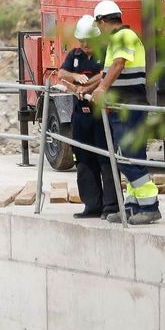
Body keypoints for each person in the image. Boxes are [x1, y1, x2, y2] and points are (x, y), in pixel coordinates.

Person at [81, 0, 159, 224]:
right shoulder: (116, 40)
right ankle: (133, 207)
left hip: (130, 106)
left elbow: (118, 65)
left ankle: (150, 206)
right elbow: (107, 72)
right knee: (128, 157)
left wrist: (103, 89)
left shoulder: (124, 37)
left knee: (127, 157)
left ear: (103, 21)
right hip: (120, 107)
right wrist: (91, 89)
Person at [55, 14, 109, 218]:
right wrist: (75, 77)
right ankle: (92, 205)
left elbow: (105, 74)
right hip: (81, 116)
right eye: (82, 41)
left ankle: (110, 205)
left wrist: (86, 87)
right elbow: (61, 73)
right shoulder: (75, 55)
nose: (85, 45)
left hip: (100, 115)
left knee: (104, 159)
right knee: (84, 160)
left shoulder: (105, 53)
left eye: (89, 41)